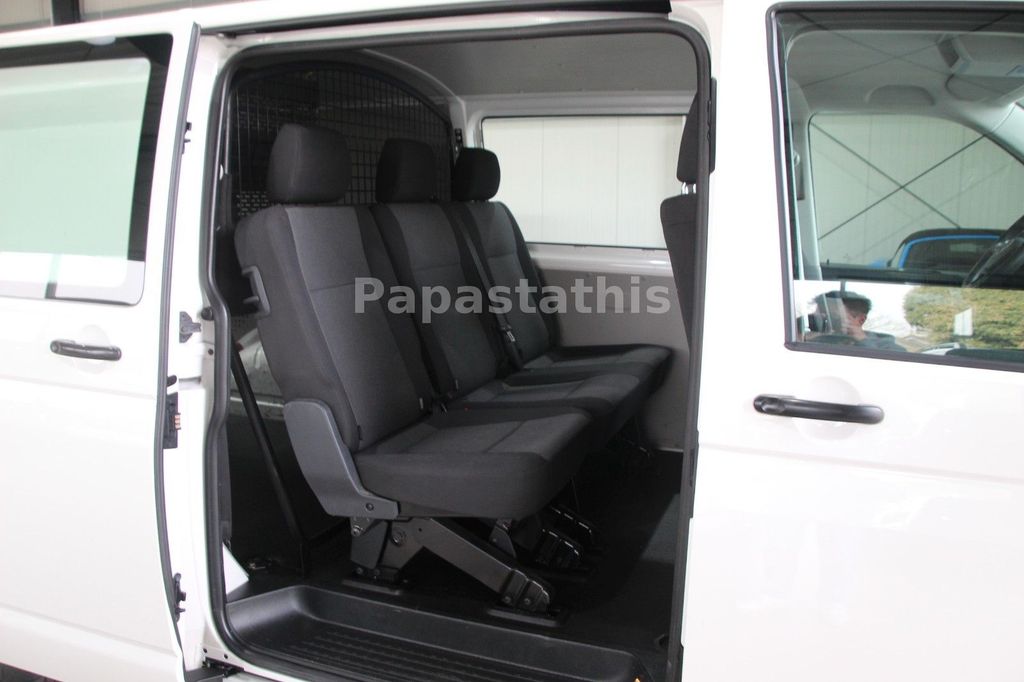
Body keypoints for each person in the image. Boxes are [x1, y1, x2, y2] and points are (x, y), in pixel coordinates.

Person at [808, 290, 905, 351]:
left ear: (860, 320)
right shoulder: (817, 342)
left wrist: (861, 339)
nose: (824, 321)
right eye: (819, 317)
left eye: (832, 316)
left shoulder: (886, 346)